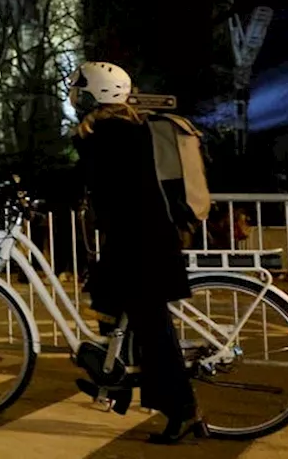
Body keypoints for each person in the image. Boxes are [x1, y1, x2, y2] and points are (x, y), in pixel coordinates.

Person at [69, 61, 203, 444]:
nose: (76, 96)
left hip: (141, 246)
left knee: (154, 333)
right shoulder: (124, 129)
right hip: (139, 241)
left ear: (96, 93)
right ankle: (114, 380)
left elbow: (83, 177)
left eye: (81, 89)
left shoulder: (110, 134)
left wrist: (37, 189)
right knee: (110, 300)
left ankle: (182, 409)